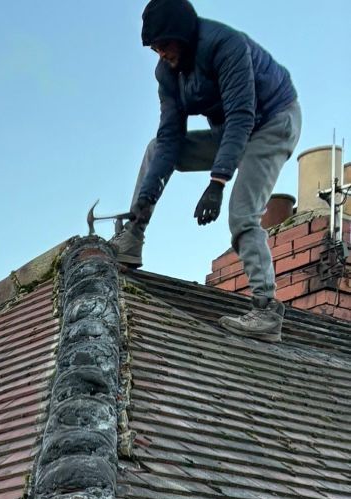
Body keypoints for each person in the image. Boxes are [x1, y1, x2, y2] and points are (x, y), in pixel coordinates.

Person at [114, 1, 301, 343]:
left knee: (242, 213)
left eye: (165, 45)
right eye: (155, 48)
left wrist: (217, 182)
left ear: (181, 35)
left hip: (272, 122)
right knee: (157, 149)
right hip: (229, 130)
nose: (161, 53)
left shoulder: (224, 45)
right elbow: (171, 137)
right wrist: (147, 195)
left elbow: (242, 115)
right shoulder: (167, 73)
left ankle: (266, 311)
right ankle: (133, 238)